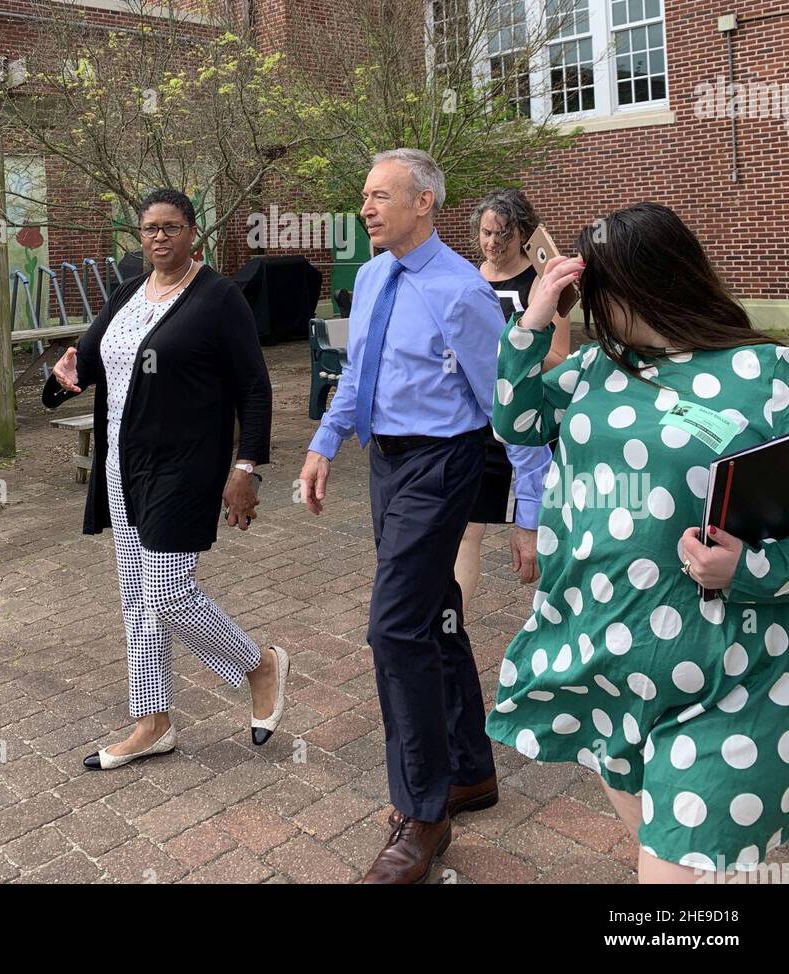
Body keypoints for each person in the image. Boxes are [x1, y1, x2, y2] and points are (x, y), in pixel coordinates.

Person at [488, 202, 789, 883]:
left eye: (597, 289)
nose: (592, 306)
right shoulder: (597, 369)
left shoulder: (767, 374)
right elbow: (515, 418)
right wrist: (534, 321)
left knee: (673, 882)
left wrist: (749, 568)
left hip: (730, 677)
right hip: (605, 661)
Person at [298, 149, 547, 884]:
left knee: (392, 626)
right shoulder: (371, 277)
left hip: (444, 462)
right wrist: (322, 442)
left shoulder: (460, 292)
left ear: (424, 205)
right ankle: (470, 771)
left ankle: (423, 812)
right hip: (387, 463)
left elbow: (510, 402)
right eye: (363, 196)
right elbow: (357, 373)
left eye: (380, 196)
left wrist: (527, 509)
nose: (367, 208)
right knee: (433, 613)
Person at [44, 188, 289, 770]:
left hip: (185, 465)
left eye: (172, 227)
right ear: (140, 233)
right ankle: (152, 722)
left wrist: (246, 466)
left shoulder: (219, 297)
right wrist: (62, 379)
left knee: (169, 592)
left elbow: (254, 387)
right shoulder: (129, 292)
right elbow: (93, 353)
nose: (160, 237)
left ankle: (260, 665)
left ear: (192, 231)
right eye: (151, 228)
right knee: (137, 597)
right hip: (122, 464)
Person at [455, 190, 571, 615]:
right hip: (477, 424)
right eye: (486, 233)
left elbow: (559, 358)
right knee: (467, 530)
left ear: (524, 232)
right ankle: (453, 630)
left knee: (540, 535)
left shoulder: (543, 280)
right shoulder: (469, 279)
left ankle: (554, 620)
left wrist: (516, 339)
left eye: (503, 234)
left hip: (529, 423)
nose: (492, 243)